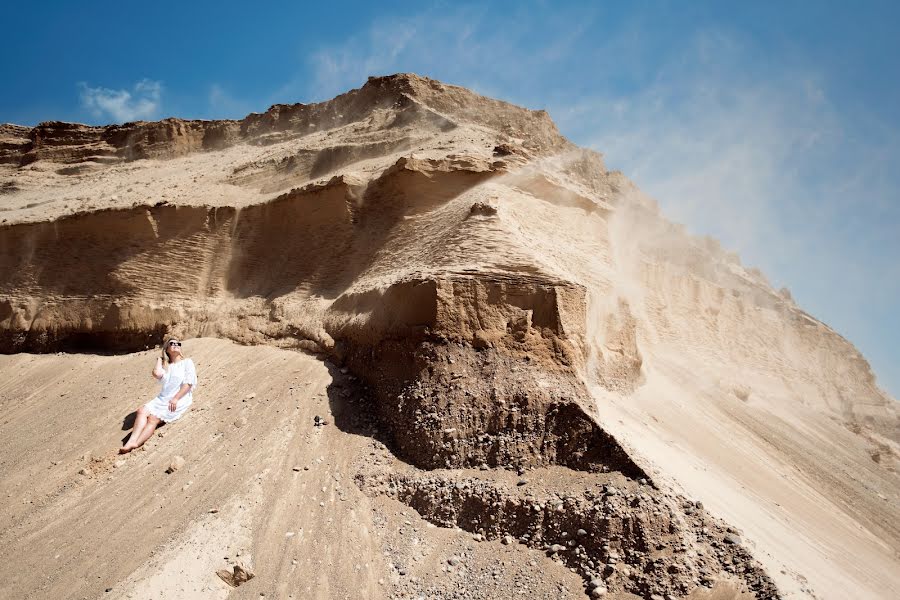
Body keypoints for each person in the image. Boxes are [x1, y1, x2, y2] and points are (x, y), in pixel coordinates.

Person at [120, 337, 197, 454]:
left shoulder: (187, 362)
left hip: (179, 398)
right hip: (162, 399)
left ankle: (136, 443)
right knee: (141, 411)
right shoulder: (167, 366)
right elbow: (156, 374)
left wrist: (176, 398)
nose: (176, 345)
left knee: (153, 419)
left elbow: (189, 383)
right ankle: (131, 440)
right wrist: (159, 359)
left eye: (178, 343)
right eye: (172, 343)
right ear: (166, 348)